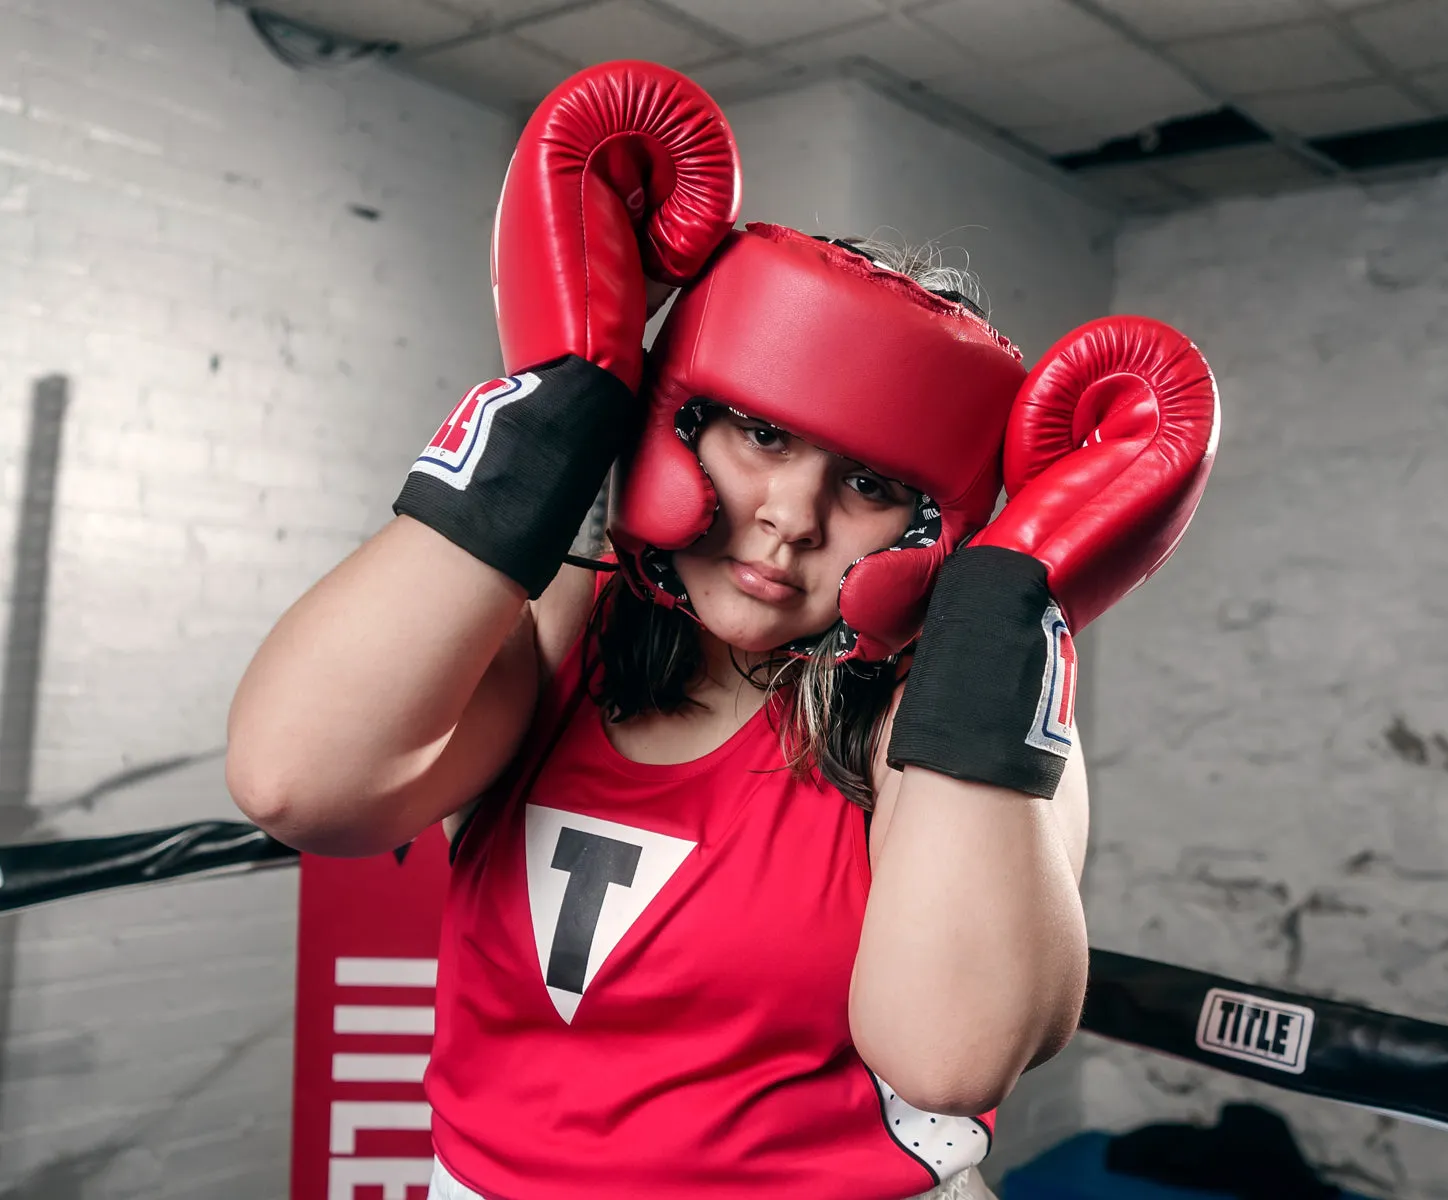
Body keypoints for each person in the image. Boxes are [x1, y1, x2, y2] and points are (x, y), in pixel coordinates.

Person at [226, 62, 1218, 1200]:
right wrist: (559, 409)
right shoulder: (563, 626)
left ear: (936, 524)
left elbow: (950, 1057)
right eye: (757, 431)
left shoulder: (947, 716)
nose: (791, 519)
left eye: (871, 484)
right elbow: (297, 782)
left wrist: (1002, 614)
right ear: (669, 414)